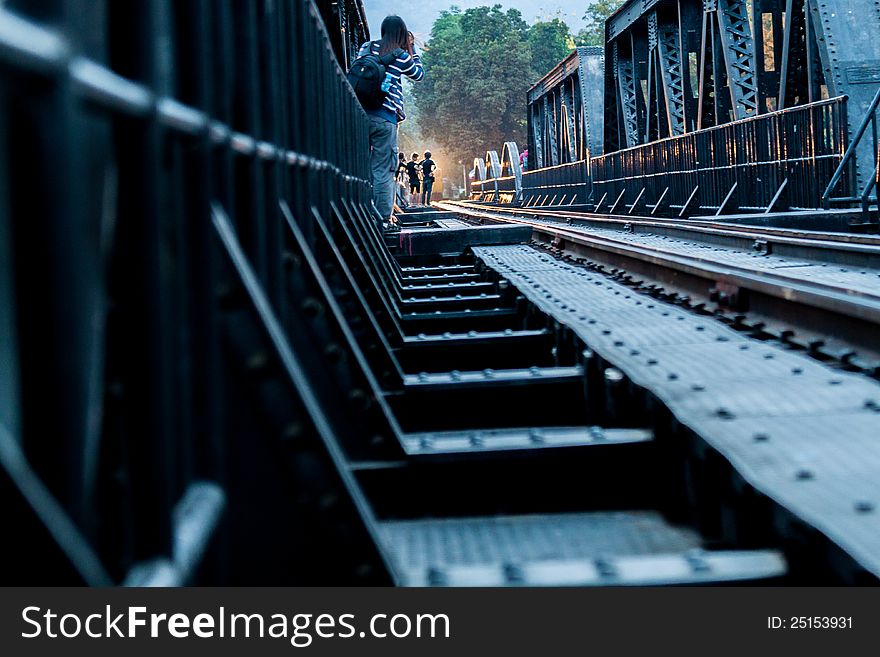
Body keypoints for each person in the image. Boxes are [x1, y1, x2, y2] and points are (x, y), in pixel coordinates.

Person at [356, 17, 423, 229]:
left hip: (359, 114)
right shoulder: (402, 56)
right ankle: (381, 219)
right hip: (385, 117)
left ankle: (361, 212)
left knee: (360, 168)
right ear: (402, 34)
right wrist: (411, 48)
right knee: (383, 170)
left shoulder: (366, 47)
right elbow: (418, 75)